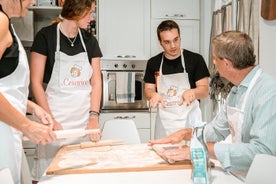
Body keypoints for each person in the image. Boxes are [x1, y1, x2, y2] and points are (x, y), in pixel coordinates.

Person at [148, 31, 276, 175]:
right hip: (239, 173)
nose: (214, 63)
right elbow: (216, 130)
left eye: (215, 59)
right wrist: (185, 133)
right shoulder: (236, 90)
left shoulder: (269, 91)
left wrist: (199, 150)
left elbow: (263, 152)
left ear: (227, 63)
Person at [29, 0, 102, 181]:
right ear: (78, 11)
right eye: (90, 13)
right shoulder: (46, 36)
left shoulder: (89, 41)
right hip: (56, 125)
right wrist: (51, 119)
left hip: (84, 126)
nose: (92, 18)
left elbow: (96, 82)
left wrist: (94, 117)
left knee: (82, 177)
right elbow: (35, 82)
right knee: (51, 176)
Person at [0, 0, 56, 183]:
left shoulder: (7, 23)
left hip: (8, 128)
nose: (33, 1)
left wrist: (33, 108)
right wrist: (28, 126)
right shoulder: (0, 22)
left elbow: (6, 88)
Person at [143, 20, 210, 139]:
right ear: (160, 42)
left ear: (180, 37)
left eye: (176, 39)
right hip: (164, 124)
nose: (173, 46)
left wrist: (193, 92)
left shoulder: (195, 59)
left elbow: (204, 90)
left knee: (191, 155)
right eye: (167, 42)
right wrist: (153, 95)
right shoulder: (153, 62)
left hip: (190, 122)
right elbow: (148, 89)